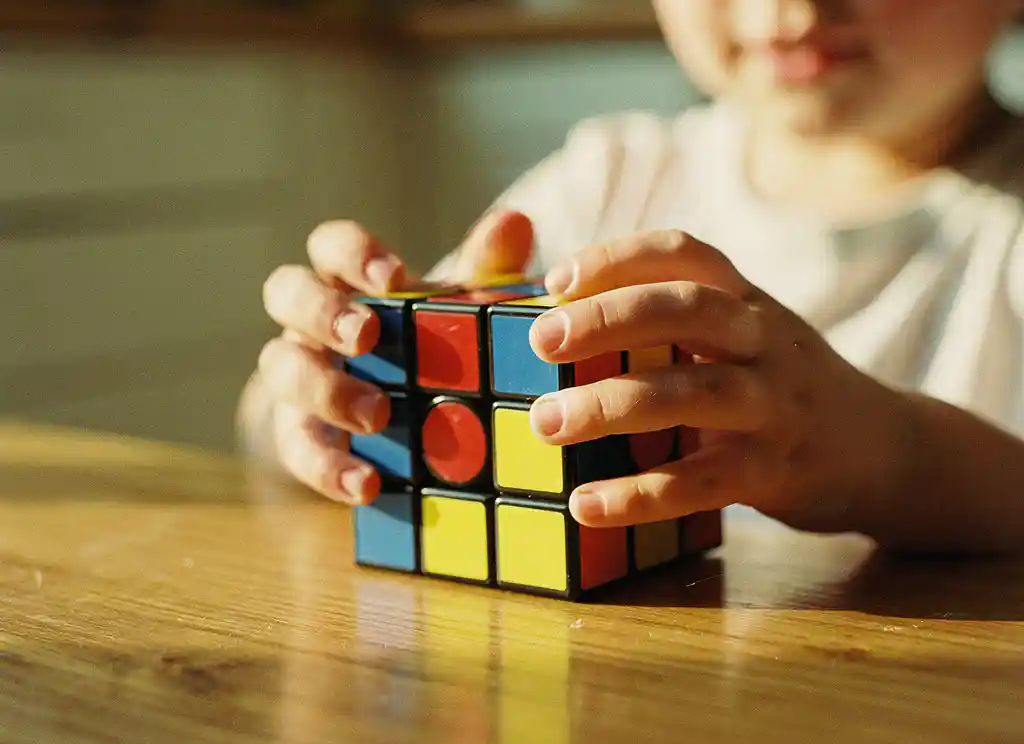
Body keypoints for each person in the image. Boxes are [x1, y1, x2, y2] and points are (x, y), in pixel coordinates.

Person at [239, 0, 1024, 553]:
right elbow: (278, 423)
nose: (789, 6)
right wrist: (335, 391)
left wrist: (892, 454)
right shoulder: (612, 178)